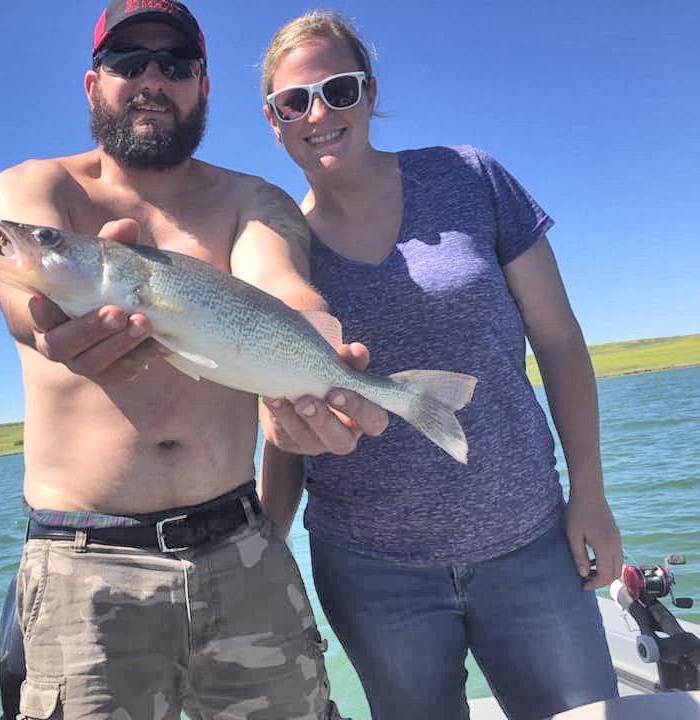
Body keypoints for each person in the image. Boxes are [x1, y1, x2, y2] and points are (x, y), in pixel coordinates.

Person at [0, 2, 387, 718]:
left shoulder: (253, 199)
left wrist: (325, 368)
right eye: (128, 63)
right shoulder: (37, 191)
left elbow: (283, 288)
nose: (152, 80)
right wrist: (44, 322)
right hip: (84, 570)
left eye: (177, 65)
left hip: (242, 553)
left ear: (205, 85)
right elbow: (26, 297)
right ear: (91, 84)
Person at [256, 11, 623, 720]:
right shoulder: (278, 249)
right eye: (294, 101)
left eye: (338, 90)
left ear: (369, 92)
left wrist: (592, 495)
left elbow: (559, 340)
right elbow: (280, 416)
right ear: (272, 119)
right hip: (370, 574)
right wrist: (268, 552)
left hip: (530, 546)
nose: (318, 113)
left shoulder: (469, 177)